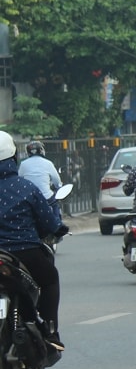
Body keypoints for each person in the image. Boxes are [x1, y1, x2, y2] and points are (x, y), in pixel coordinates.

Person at [0, 130, 66, 350]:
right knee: (50, 279)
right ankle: (50, 332)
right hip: (25, 252)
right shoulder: (26, 188)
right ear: (14, 158)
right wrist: (58, 228)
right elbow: (49, 221)